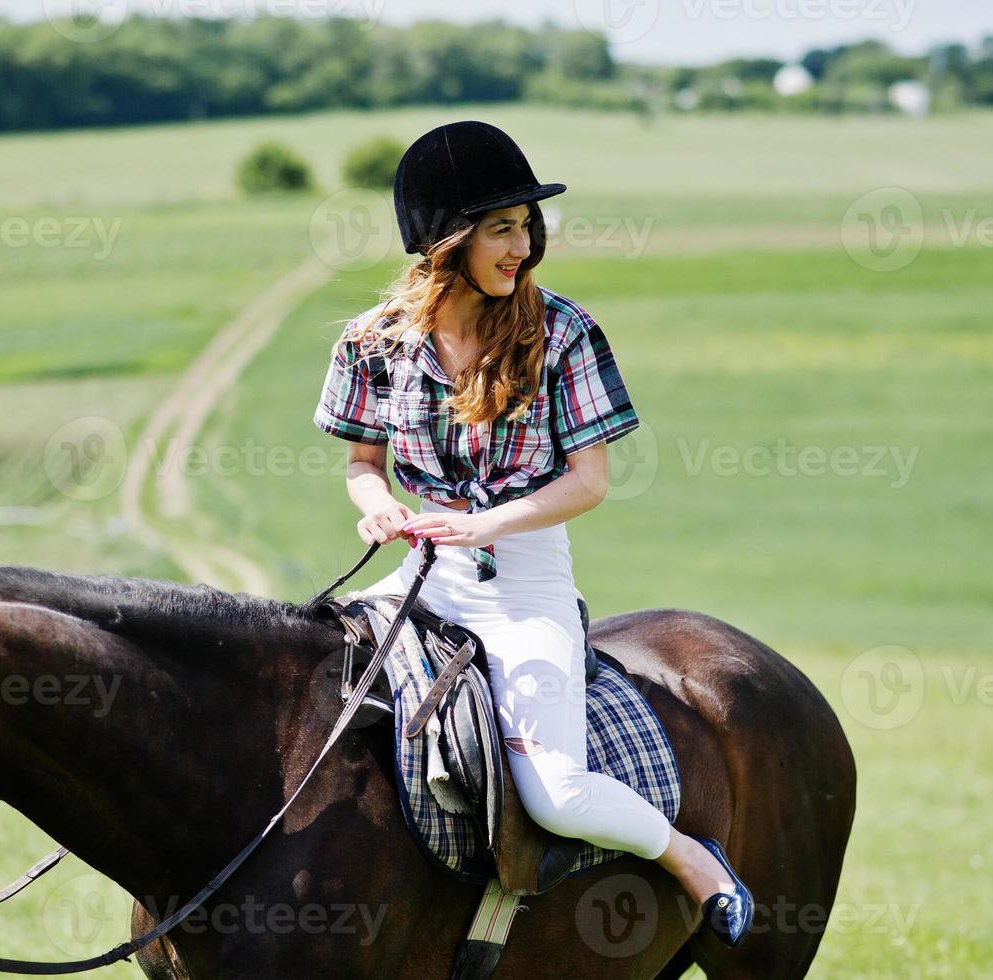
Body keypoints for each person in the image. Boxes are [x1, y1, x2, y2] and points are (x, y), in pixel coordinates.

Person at [311, 120, 752, 947]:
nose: (522, 247)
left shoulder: (564, 332)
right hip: (420, 573)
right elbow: (360, 463)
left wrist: (484, 523)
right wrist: (375, 505)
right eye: (500, 228)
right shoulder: (371, 342)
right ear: (445, 242)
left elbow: (589, 481)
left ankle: (692, 860)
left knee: (553, 792)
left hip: (523, 581)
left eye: (525, 225)